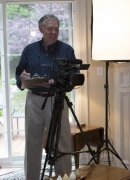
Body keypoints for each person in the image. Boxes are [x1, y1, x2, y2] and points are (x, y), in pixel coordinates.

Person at [15, 14, 76, 179]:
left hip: (57, 100)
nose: (54, 32)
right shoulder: (29, 50)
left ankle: (63, 177)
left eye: (56, 28)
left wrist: (60, 82)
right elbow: (19, 73)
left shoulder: (67, 50)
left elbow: (74, 76)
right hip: (34, 100)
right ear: (41, 28)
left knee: (61, 143)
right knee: (32, 142)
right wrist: (22, 78)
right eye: (50, 28)